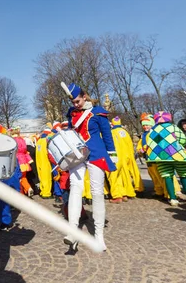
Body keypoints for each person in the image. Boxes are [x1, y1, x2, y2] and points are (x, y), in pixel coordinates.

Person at [62, 84, 116, 252]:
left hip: (96, 153)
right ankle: (73, 232)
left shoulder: (98, 112)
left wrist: (112, 153)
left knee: (97, 192)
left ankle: (99, 235)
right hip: (78, 154)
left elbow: (106, 134)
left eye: (77, 101)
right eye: (73, 101)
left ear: (84, 96)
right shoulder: (72, 113)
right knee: (76, 189)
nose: (75, 104)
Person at [146, 112, 186, 205]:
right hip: (177, 155)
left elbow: (151, 143)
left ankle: (172, 198)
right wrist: (178, 146)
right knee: (183, 174)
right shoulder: (173, 127)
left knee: (167, 176)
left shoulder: (152, 130)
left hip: (161, 157)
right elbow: (183, 139)